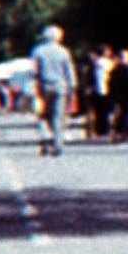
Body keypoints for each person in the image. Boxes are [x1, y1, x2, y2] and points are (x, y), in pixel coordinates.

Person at [29, 25, 78, 157]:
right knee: (58, 115)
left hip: (43, 86)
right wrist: (72, 87)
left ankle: (45, 139)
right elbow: (69, 71)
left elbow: (33, 71)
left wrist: (32, 87)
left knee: (43, 115)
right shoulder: (64, 52)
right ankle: (57, 143)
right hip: (60, 86)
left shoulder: (37, 51)